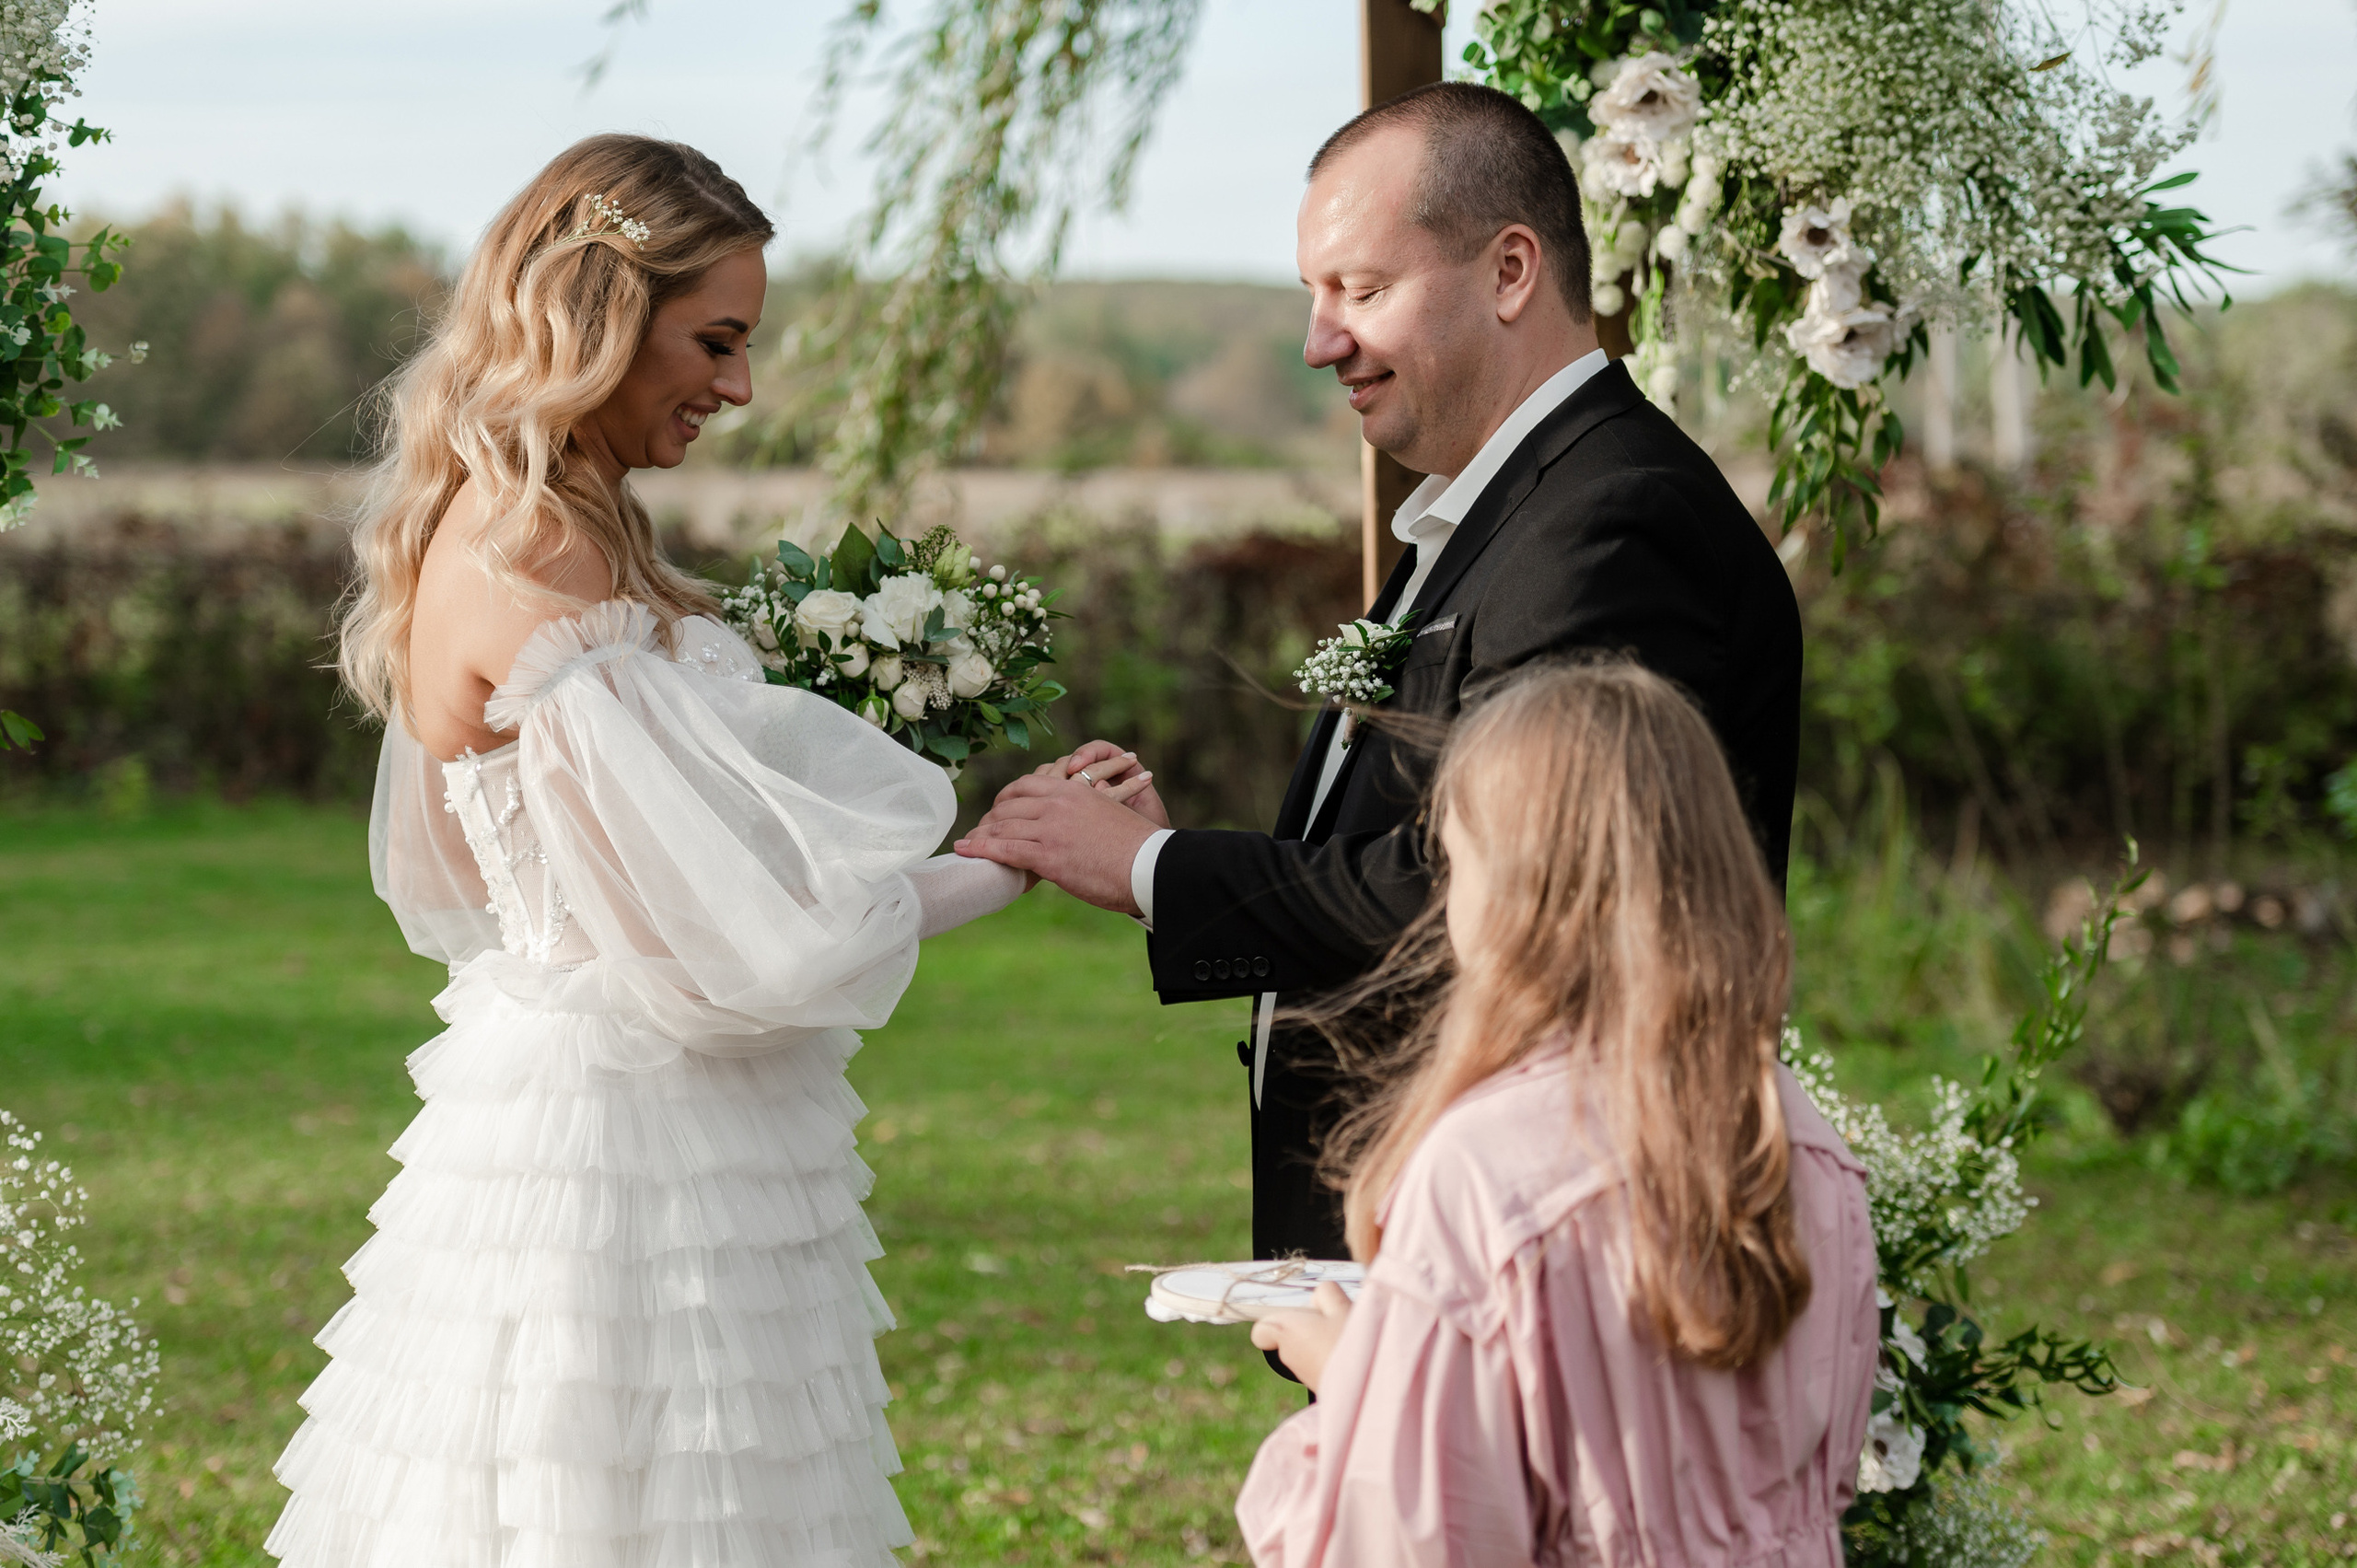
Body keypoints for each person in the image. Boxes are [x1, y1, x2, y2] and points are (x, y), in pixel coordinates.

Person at [268, 134, 1031, 1567]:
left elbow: (477, 874)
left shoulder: (535, 526)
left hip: (581, 1088)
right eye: (716, 340)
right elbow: (723, 949)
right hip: (628, 1137)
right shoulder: (541, 552)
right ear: (599, 315)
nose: (736, 387)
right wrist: (1002, 861)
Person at [955, 83, 1804, 1295]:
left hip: (1524, 1254)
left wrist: (1156, 870)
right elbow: (1409, 835)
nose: (1319, 341)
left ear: (1509, 271)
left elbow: (1505, 898)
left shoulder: (1613, 521)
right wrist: (1187, 855)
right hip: (1426, 1233)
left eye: (1360, 290)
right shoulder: (1503, 508)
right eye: (1315, 295)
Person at [1237, 659, 1877, 1565]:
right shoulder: (1794, 1132)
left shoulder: (1483, 1169)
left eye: (1454, 860)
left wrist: (1358, 1395)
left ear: (1515, 892)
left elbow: (1410, 1544)